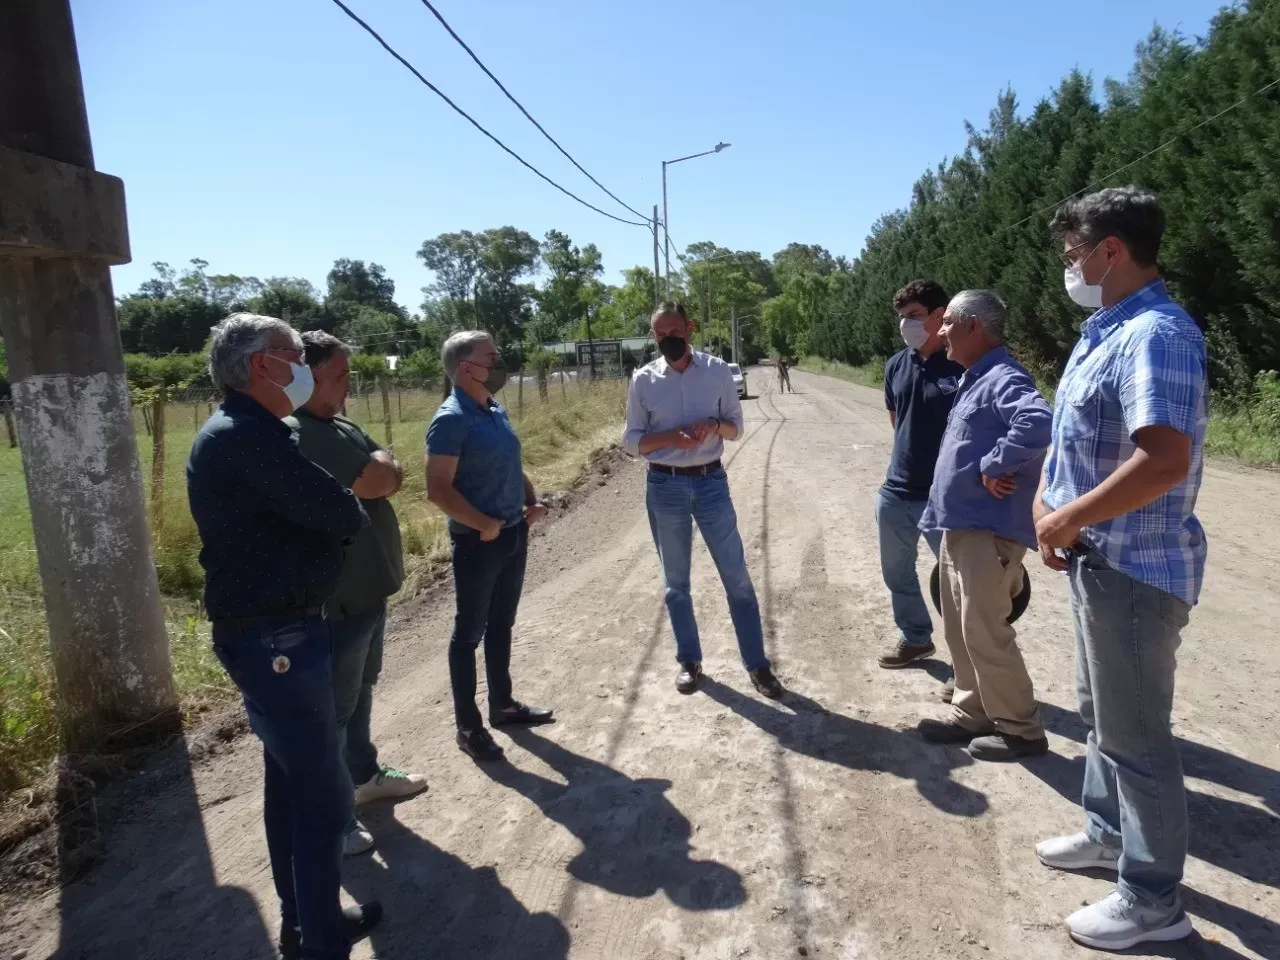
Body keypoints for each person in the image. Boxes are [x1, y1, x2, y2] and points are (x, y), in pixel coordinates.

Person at [1034, 187, 1208, 951]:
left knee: (1137, 738)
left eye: (1075, 253)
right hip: (1095, 561)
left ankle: (1153, 898)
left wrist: (1069, 516)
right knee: (1099, 716)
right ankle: (1107, 834)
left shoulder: (1157, 334)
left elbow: (1164, 458)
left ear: (1112, 250)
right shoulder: (1107, 329)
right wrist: (1049, 497)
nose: (1069, 266)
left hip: (1133, 570)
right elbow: (1075, 434)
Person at [186, 314, 380, 960]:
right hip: (276, 639)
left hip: (282, 631)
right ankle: (320, 940)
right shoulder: (246, 437)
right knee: (322, 794)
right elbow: (341, 510)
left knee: (290, 786)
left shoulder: (253, 432)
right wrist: (335, 521)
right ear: (264, 366)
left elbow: (328, 512)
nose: (303, 365)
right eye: (295, 355)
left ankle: (307, 920)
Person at [288, 332, 427, 858]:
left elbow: (386, 468)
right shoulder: (302, 431)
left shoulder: (337, 423)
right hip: (339, 595)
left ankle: (364, 775)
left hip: (368, 589)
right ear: (310, 375)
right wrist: (381, 466)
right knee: (334, 706)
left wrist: (381, 465)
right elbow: (375, 479)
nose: (350, 384)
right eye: (341, 375)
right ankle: (334, 816)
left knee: (362, 686)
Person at [622, 300, 782, 699]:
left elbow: (736, 429)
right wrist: (670, 438)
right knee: (676, 583)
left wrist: (714, 426)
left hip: (711, 483)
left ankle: (757, 666)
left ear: (690, 328)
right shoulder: (643, 380)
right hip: (664, 486)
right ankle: (689, 661)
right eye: (659, 335)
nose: (667, 340)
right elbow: (630, 441)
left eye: (674, 332)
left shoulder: (717, 372)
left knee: (737, 577)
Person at [916, 291, 1051, 762]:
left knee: (985, 630)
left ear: (973, 325)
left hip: (987, 533)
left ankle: (1021, 729)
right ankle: (973, 712)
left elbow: (1037, 421)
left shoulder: (1003, 377)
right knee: (960, 629)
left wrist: (997, 463)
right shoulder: (975, 378)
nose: (941, 331)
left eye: (948, 322)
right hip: (961, 528)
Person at [426, 331, 553, 763]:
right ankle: (468, 726)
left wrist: (531, 501)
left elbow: (510, 464)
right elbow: (438, 490)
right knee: (468, 634)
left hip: (513, 533)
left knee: (502, 624)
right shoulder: (451, 418)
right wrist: (483, 525)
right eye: (491, 357)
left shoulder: (493, 408)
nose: (499, 362)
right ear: (466, 368)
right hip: (479, 541)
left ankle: (504, 705)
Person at [876, 280, 965, 671]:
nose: (905, 325)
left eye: (913, 316)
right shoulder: (897, 364)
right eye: (901, 318)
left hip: (945, 497)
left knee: (958, 586)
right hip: (896, 491)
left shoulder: (962, 363)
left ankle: (968, 668)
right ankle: (915, 639)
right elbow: (898, 424)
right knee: (896, 572)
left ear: (939, 315)